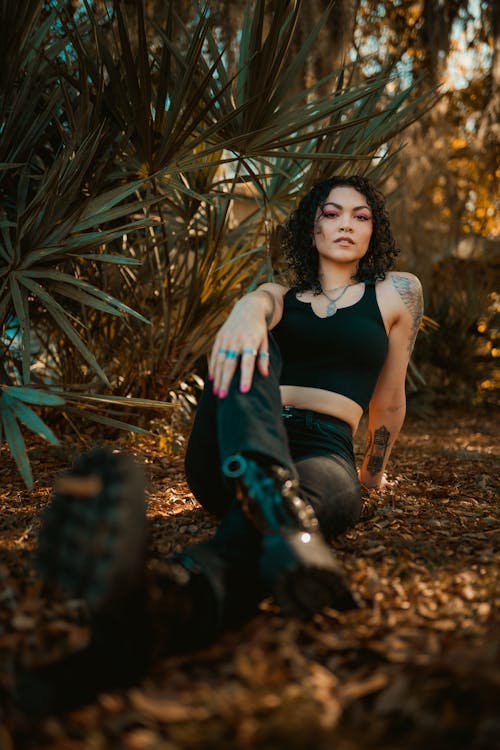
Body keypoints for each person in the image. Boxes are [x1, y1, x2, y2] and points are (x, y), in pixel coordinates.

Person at [12, 174, 423, 716]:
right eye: (331, 212)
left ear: (374, 230)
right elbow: (255, 308)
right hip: (237, 437)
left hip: (323, 452)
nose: (346, 222)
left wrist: (371, 476)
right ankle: (271, 493)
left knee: (304, 500)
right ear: (312, 226)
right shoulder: (277, 295)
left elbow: (389, 400)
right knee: (251, 344)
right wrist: (247, 310)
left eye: (361, 215)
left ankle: (169, 603)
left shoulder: (397, 292)